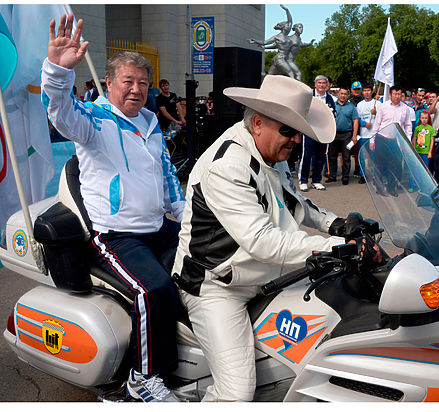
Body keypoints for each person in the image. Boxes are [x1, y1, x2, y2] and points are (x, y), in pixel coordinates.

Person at [172, 74, 382, 401]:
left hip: (263, 275)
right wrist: (342, 248)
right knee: (237, 393)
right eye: (288, 131)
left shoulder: (270, 153)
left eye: (298, 132)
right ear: (258, 123)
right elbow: (264, 241)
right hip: (218, 288)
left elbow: (296, 203)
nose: (296, 140)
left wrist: (340, 226)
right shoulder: (227, 166)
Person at [42, 14, 185, 402]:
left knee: (203, 262)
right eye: (128, 81)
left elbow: (166, 174)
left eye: (143, 83)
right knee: (152, 290)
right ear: (109, 83)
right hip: (115, 233)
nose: (137, 90)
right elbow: (60, 111)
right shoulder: (93, 120)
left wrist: (185, 216)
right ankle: (143, 378)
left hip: (157, 226)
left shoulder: (152, 124)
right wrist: (57, 70)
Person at [370, 85, 412, 196]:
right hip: (382, 139)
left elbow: (408, 126)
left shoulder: (405, 108)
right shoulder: (383, 107)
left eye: (399, 94)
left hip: (395, 141)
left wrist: (407, 141)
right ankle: (379, 188)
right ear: (390, 94)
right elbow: (377, 124)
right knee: (380, 165)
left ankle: (391, 187)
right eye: (395, 94)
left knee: (396, 166)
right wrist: (372, 140)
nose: (397, 96)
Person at [298, 75, 336, 191]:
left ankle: (316, 180)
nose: (321, 85)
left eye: (324, 83)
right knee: (307, 155)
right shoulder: (309, 96)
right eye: (319, 83)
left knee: (320, 156)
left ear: (327, 85)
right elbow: (301, 110)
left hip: (323, 131)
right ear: (315, 84)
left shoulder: (330, 98)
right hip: (309, 130)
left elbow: (333, 114)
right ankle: (303, 180)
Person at [327, 87, 359, 185]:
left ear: (348, 95)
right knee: (332, 156)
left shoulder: (352, 107)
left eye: (345, 94)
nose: (343, 96)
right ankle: (332, 176)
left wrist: (354, 136)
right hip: (333, 134)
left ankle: (345, 177)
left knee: (346, 157)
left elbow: (356, 121)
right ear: (338, 94)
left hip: (346, 135)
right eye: (341, 93)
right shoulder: (332, 105)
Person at [356, 84, 379, 184]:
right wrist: (365, 124)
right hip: (363, 135)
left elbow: (383, 118)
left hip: (374, 135)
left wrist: (376, 112)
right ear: (362, 92)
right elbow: (357, 119)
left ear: (372, 91)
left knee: (374, 157)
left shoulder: (377, 104)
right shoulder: (360, 104)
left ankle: (375, 176)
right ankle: (363, 175)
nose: (366, 92)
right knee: (362, 156)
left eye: (368, 90)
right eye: (364, 90)